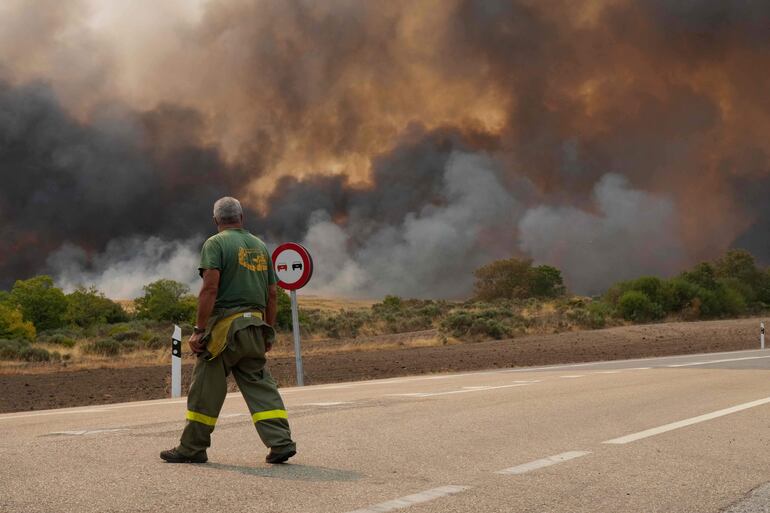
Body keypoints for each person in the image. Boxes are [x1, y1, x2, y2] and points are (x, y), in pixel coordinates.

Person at [160, 196, 296, 464]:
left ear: (216, 221)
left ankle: (192, 449)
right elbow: (272, 294)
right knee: (260, 386)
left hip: (226, 331)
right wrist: (267, 331)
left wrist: (199, 330)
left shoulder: (216, 243)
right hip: (256, 327)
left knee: (205, 389)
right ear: (242, 218)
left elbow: (210, 288)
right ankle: (281, 443)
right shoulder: (259, 246)